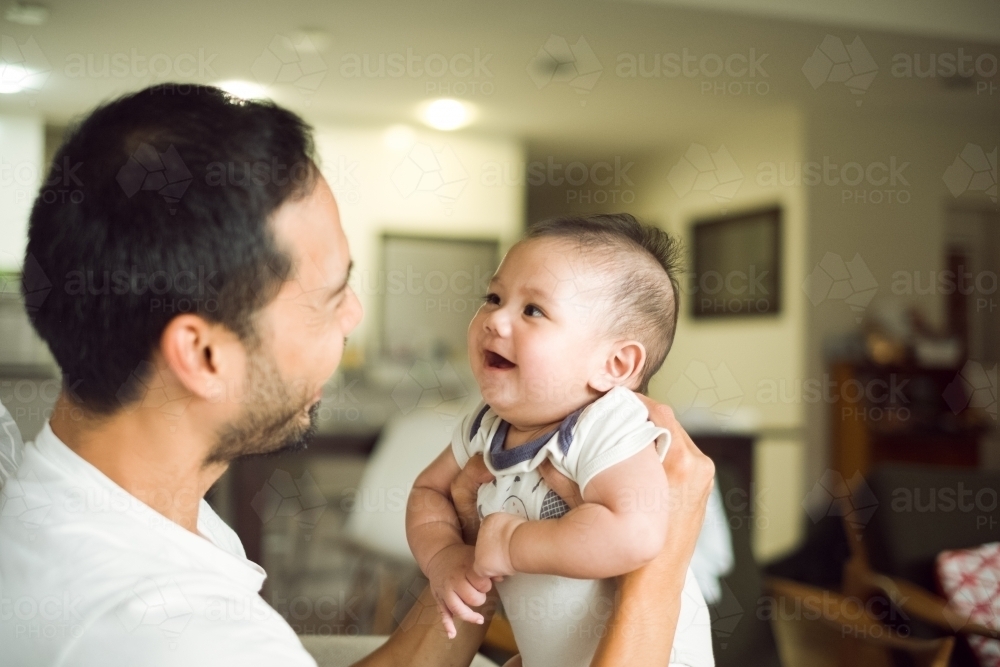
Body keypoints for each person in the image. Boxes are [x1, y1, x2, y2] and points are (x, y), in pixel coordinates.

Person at [0, 84, 715, 667]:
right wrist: (656, 576)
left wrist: (468, 565)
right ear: (204, 354)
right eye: (331, 296)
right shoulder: (160, 632)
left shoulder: (108, 510)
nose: (356, 316)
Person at [406, 215, 714, 667]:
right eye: (493, 297)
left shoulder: (608, 425)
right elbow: (428, 491)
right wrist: (444, 555)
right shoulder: (485, 424)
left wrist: (513, 543)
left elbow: (637, 532)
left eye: (533, 310)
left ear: (615, 365)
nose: (495, 320)